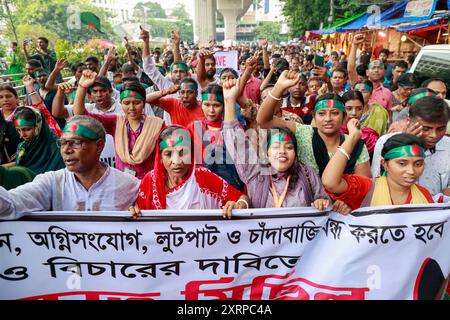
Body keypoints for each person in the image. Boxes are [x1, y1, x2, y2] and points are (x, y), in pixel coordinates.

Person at [222, 77, 348, 212]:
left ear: (295, 153)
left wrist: (321, 202)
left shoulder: (306, 173)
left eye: (289, 147)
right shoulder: (256, 172)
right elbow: (237, 143)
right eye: (276, 147)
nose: (282, 151)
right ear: (266, 152)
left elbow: (322, 198)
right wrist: (229, 101)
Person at [0, 116, 141, 220]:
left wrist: (142, 214)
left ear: (99, 146)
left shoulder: (130, 186)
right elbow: (11, 205)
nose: (66, 150)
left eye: (75, 143)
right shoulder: (51, 182)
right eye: (62, 143)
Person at [257, 70, 371, 178]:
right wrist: (279, 87)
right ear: (314, 116)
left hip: (344, 198)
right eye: (321, 114)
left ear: (344, 117)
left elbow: (362, 185)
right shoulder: (304, 133)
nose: (328, 119)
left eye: (335, 113)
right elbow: (264, 121)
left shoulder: (356, 145)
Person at [130, 125, 250, 219]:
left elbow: (241, 197)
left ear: (192, 154)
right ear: (160, 157)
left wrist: (240, 204)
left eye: (183, 153)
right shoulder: (150, 181)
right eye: (168, 154)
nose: (176, 162)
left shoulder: (203, 176)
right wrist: (133, 213)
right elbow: (140, 217)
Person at [71, 70, 164, 179]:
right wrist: (82, 87)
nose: (131, 108)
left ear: (144, 104)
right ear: (121, 104)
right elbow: (80, 115)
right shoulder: (116, 122)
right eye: (126, 103)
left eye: (137, 103)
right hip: (123, 182)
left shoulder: (156, 125)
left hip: (150, 182)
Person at [322, 123, 434, 210]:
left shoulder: (424, 195)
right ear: (384, 164)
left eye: (418, 164)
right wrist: (353, 137)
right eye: (402, 163)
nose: (411, 171)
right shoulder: (366, 188)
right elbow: (330, 182)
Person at [371, 96, 450, 198]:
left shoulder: (448, 145)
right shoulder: (386, 142)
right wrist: (405, 144)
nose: (433, 135)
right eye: (426, 128)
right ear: (409, 121)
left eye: (440, 129)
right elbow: (378, 180)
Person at [13, 106, 64, 174]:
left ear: (39, 125)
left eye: (27, 129)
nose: (22, 135)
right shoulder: (22, 147)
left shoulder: (56, 146)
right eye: (18, 130)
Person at [341, 90, 379, 156]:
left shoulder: (370, 136)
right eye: (349, 109)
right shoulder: (333, 133)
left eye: (359, 109)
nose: (354, 113)